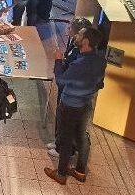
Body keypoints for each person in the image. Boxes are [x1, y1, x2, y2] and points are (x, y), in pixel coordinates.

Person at [44, 28, 107, 185]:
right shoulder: (101, 60)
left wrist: (58, 60)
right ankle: (80, 171)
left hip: (70, 106)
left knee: (65, 139)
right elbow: (99, 83)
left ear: (85, 41)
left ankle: (61, 173)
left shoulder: (79, 64)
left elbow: (61, 81)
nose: (76, 36)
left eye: (80, 35)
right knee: (81, 137)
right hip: (86, 105)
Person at [47, 17, 93, 157]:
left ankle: (63, 149)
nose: (68, 30)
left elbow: (63, 78)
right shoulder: (74, 43)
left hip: (71, 92)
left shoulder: (82, 53)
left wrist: (59, 61)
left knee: (67, 121)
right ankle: (58, 140)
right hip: (66, 90)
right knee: (60, 115)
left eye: (72, 29)